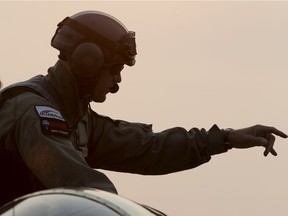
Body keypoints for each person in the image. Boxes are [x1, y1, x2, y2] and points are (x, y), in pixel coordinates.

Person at [0, 10, 287, 206]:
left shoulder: (76, 117)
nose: (117, 80)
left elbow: (147, 148)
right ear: (89, 62)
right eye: (114, 70)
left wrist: (225, 138)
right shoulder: (35, 113)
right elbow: (81, 187)